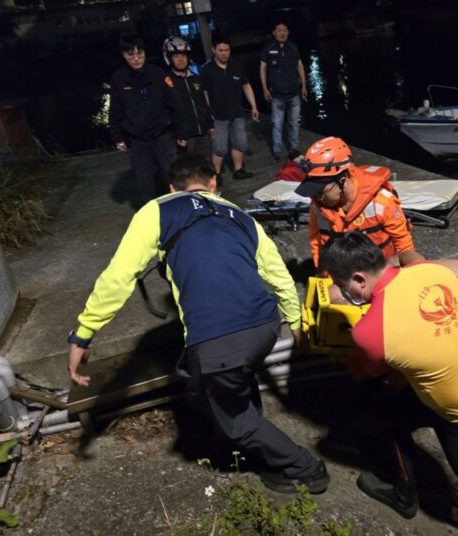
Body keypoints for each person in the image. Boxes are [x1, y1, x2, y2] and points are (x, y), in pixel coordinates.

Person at [66, 156, 330, 494]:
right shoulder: (240, 216)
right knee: (238, 381)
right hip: (265, 326)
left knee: (233, 421)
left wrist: (83, 335)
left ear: (171, 188)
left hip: (217, 339)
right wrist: (295, 321)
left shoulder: (157, 210)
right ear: (213, 183)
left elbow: (117, 279)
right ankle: (270, 458)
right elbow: (278, 274)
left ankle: (306, 468)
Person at [319, 232, 458, 536]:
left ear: (359, 279)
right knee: (389, 414)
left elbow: (375, 373)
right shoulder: (432, 272)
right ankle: (403, 491)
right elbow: (451, 328)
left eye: (342, 285)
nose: (342, 291)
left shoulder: (369, 332)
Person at [294, 136, 424, 269]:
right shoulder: (317, 206)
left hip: (382, 273)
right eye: (314, 193)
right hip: (343, 275)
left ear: (342, 180)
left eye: (321, 192)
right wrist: (322, 273)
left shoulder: (382, 202)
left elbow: (404, 248)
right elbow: (317, 242)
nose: (317, 198)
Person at [108, 34, 186, 207]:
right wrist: (117, 137)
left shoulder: (158, 74)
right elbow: (115, 110)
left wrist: (180, 132)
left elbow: (175, 105)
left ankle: (180, 208)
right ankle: (151, 213)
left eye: (139, 54)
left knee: (172, 176)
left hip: (162, 136)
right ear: (123, 55)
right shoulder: (119, 78)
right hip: (138, 141)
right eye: (131, 55)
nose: (136, 59)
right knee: (145, 183)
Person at [198, 37, 259, 185]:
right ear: (214, 50)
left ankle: (238, 170)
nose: (224, 53)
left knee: (240, 143)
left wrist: (254, 106)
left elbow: (246, 85)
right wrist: (208, 112)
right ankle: (216, 174)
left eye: (227, 50)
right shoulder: (207, 69)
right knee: (219, 147)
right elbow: (204, 92)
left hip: (237, 113)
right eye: (221, 50)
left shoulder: (236, 65)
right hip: (218, 116)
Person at [260, 22, 307, 163]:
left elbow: (300, 66)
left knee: (294, 123)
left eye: (284, 30)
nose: (282, 33)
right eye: (279, 30)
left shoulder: (293, 47)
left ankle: (294, 149)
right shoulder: (268, 48)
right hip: (277, 95)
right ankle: (277, 152)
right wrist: (264, 88)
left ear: (288, 32)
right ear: (274, 33)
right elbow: (262, 68)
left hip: (294, 93)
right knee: (277, 124)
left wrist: (304, 86)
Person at [162, 36, 215, 160]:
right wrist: (178, 133)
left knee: (206, 166)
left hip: (202, 133)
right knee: (187, 169)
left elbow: (203, 103)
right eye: (176, 56)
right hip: (184, 138)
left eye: (183, 55)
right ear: (169, 58)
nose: (181, 59)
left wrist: (210, 125)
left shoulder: (195, 78)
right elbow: (167, 111)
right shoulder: (166, 82)